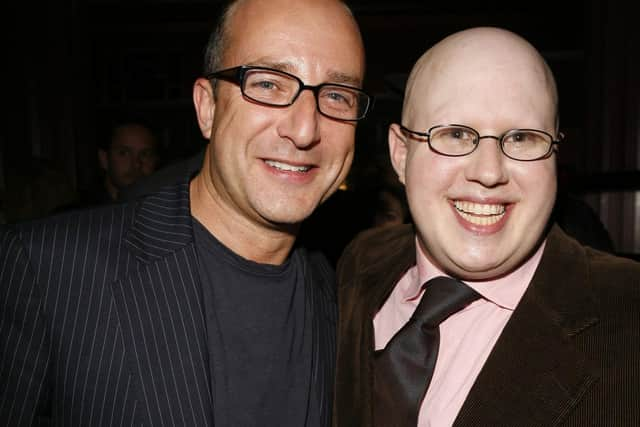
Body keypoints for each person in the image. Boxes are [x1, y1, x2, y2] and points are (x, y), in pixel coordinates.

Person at [0, 0, 370, 425]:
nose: (305, 129)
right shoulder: (46, 270)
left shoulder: (350, 298)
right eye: (269, 84)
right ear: (207, 108)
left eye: (338, 95)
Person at [334, 27, 640, 427]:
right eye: (456, 134)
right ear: (401, 153)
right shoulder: (360, 264)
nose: (489, 171)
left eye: (522, 137)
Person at [95, 120, 160, 203]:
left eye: (145, 154)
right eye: (123, 153)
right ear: (104, 159)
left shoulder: (165, 209)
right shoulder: (83, 214)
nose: (137, 164)